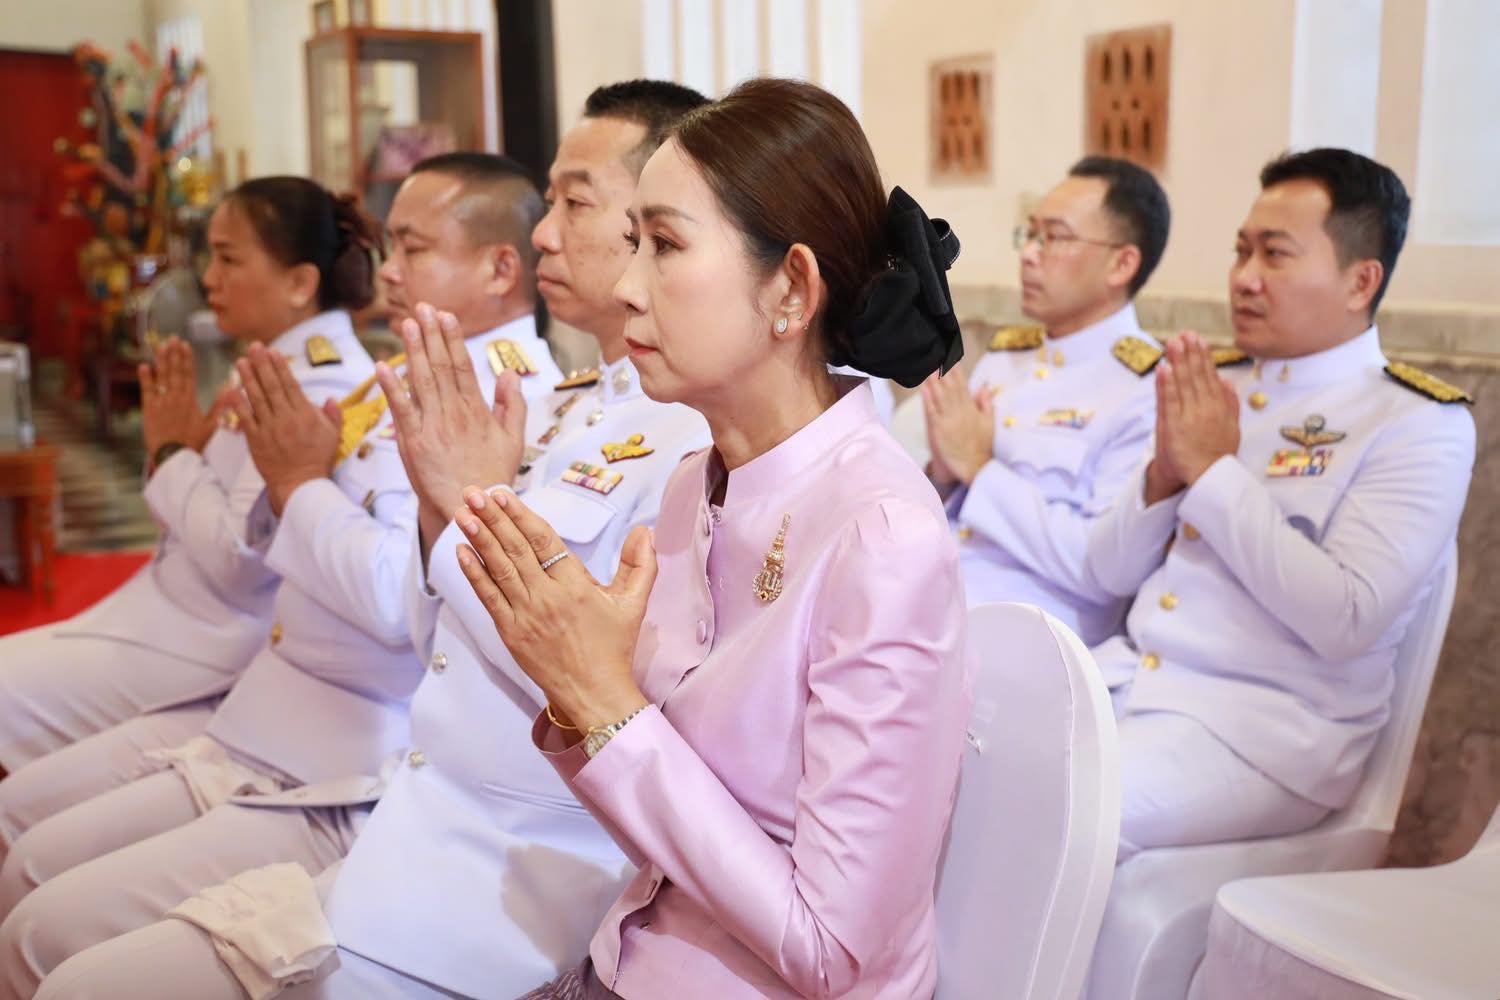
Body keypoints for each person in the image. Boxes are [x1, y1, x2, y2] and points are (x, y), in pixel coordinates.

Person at [23, 87, 716, 999]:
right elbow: (437, 624)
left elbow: (531, 652)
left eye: (572, 202)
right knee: (50, 919)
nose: (549, 233)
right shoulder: (568, 405)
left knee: (65, 950)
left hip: (495, 860)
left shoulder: (675, 435)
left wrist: (348, 490)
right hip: (390, 801)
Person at [0, 159, 564, 997]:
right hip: (270, 711)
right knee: (34, 884)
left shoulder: (510, 401)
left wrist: (288, 482)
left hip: (339, 755)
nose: (389, 272)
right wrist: (279, 483)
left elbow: (387, 597)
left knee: (49, 928)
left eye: (412, 246)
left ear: (499, 268)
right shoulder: (404, 377)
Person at [461, 77, 971, 998]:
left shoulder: (880, 534)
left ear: (792, 288)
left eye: (663, 246)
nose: (624, 288)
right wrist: (583, 694)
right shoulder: (699, 481)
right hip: (627, 958)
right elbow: (661, 824)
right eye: (631, 246)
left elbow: (834, 954)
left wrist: (605, 703)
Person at [1084, 148, 1475, 862]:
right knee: (947, 769)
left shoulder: (1418, 423)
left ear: (1361, 281)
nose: (1244, 279)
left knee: (1062, 811)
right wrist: (1166, 476)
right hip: (1129, 685)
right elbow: (1107, 573)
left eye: (1275, 255)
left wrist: (1211, 472)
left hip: (1263, 737)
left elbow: (1348, 619)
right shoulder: (1214, 385)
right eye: (1240, 251)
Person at [0, 178, 377, 780]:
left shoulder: (319, 387)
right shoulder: (274, 364)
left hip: (209, 644)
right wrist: (183, 453)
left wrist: (175, 452)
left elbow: (238, 561)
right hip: (161, 614)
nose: (208, 278)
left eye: (229, 258)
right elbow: (188, 517)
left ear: (300, 283)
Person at [921, 155, 1171, 643]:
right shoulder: (1006, 360)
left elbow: (1102, 569)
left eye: (1053, 237)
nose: (1029, 254)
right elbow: (948, 509)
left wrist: (979, 468)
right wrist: (945, 474)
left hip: (1028, 637)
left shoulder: (1149, 389)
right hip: (937, 597)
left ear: (1123, 263)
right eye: (1029, 234)